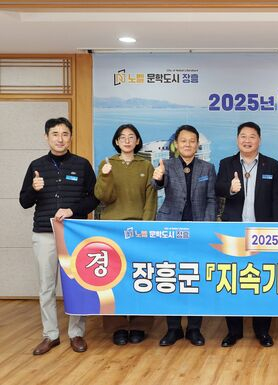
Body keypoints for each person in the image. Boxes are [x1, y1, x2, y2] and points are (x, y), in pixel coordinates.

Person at [19, 117, 99, 355]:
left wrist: (72, 210)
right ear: (47, 137)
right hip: (44, 233)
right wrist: (34, 190)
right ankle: (50, 334)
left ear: (70, 137)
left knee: (77, 284)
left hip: (75, 233)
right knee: (46, 286)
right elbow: (24, 202)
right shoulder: (36, 166)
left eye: (65, 134)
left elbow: (94, 198)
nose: (60, 138)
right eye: (55, 134)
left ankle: (76, 333)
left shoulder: (82, 165)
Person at [215, 122, 278, 348]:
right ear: (237, 140)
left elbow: (277, 200)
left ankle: (262, 331)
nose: (247, 140)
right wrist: (230, 188)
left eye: (252, 136)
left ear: (259, 140)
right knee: (232, 283)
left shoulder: (272, 165)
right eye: (243, 136)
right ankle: (233, 331)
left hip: (262, 233)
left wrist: (277, 231)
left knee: (263, 283)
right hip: (234, 232)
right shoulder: (226, 164)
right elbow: (217, 188)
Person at [153, 124, 217, 347]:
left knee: (195, 279)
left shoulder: (207, 168)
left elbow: (211, 199)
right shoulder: (167, 165)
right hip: (171, 230)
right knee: (171, 278)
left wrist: (206, 227)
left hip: (197, 231)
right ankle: (173, 328)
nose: (188, 144)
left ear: (197, 144)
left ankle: (194, 329)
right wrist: (158, 178)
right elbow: (157, 185)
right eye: (183, 141)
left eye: (192, 141)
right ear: (176, 144)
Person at [94, 124, 157, 346]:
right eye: (123, 137)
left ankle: (140, 325)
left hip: (139, 229)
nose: (127, 141)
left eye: (131, 137)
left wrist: (146, 228)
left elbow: (151, 199)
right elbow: (103, 197)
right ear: (116, 141)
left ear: (138, 141)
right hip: (112, 229)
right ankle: (117, 327)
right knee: (113, 279)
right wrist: (105, 176)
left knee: (141, 277)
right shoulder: (107, 163)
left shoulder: (146, 165)